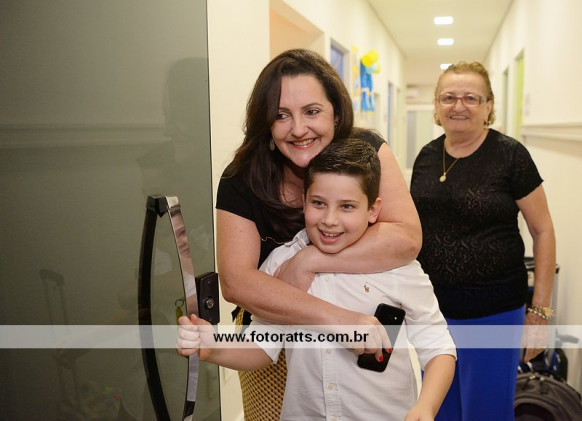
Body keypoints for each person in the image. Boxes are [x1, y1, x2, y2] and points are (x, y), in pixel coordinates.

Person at [179, 138, 456, 420]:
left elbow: (438, 347)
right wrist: (212, 347)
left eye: (347, 206)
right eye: (319, 203)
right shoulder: (283, 264)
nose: (330, 220)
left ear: (373, 210)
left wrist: (426, 406)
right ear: (304, 201)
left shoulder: (399, 269)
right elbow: (261, 346)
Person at [215, 49, 422, 419]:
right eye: (281, 115)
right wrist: (337, 320)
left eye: (311, 111)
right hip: (272, 337)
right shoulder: (242, 177)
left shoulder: (366, 152)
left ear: (336, 114)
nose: (298, 129)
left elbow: (405, 238)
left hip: (362, 342)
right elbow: (236, 282)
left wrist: (308, 259)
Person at [410, 61, 556, 421]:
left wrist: (539, 313)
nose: (458, 106)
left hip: (494, 312)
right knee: (438, 409)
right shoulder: (427, 156)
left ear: (488, 106)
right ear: (436, 106)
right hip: (434, 312)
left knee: (485, 411)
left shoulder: (510, 155)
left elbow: (543, 230)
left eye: (471, 98)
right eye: (449, 97)